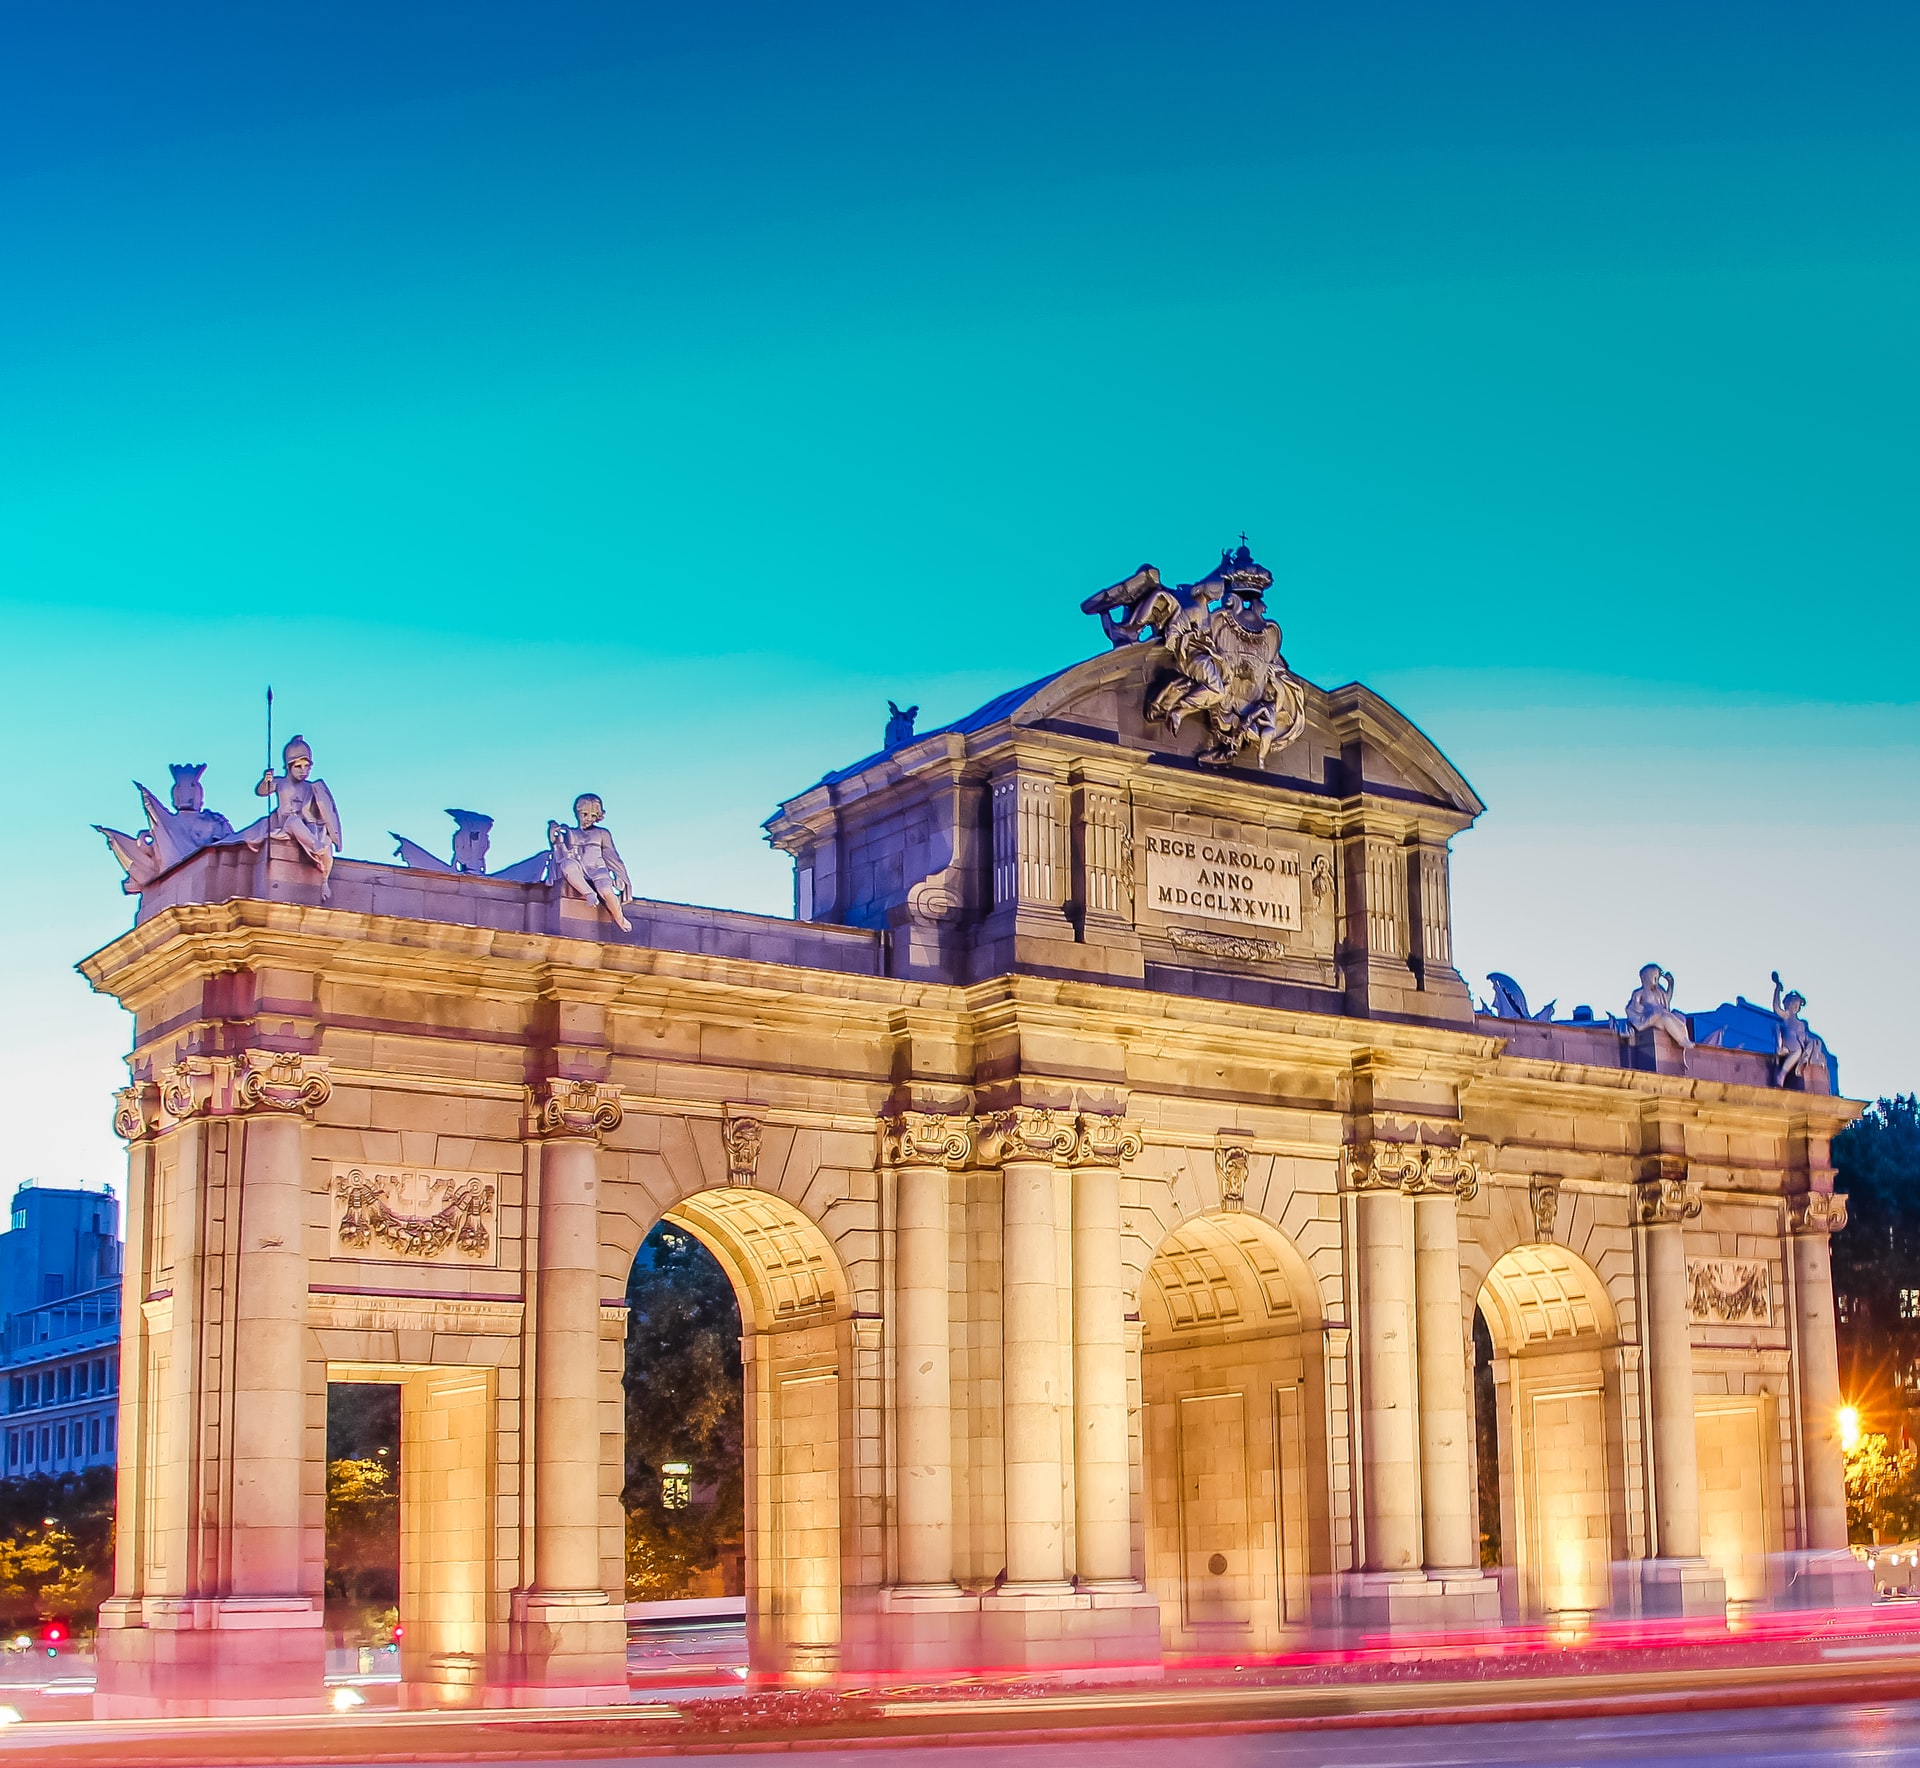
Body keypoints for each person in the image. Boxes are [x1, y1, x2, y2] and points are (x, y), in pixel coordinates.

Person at [251, 735, 343, 901]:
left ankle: (324, 881)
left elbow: (323, 810)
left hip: (307, 825)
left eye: (307, 767)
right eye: (299, 766)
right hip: (286, 823)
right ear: (289, 766)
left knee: (325, 842)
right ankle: (316, 846)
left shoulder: (312, 787)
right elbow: (261, 791)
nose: (304, 771)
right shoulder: (280, 782)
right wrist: (266, 781)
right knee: (294, 822)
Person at [548, 793, 633, 931]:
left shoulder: (602, 833)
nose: (589, 819)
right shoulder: (570, 832)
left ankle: (620, 918)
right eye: (585, 814)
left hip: (597, 868)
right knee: (567, 865)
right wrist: (554, 836)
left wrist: (619, 874)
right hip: (578, 867)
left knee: (605, 889)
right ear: (578, 812)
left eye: (593, 816)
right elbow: (560, 851)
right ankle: (589, 893)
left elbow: (612, 855)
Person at [1772, 971, 1832, 1091]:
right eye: (1793, 1003)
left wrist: (1814, 1042)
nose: (1795, 1006)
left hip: (1799, 1043)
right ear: (1787, 1004)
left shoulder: (1802, 1023)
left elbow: (1805, 1037)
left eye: (1797, 1005)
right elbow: (1776, 1007)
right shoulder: (1786, 1015)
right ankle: (1781, 1074)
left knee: (1806, 1050)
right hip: (1789, 1040)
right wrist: (1777, 988)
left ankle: (1791, 1073)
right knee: (1797, 1050)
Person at [1624, 963, 1693, 1047]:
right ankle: (1681, 1040)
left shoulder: (1659, 992)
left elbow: (1666, 999)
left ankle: (1685, 1038)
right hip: (1652, 1018)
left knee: (1679, 1019)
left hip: (1663, 1013)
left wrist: (1670, 984)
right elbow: (1633, 1008)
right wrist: (1645, 1014)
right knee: (1666, 1019)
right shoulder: (1639, 993)